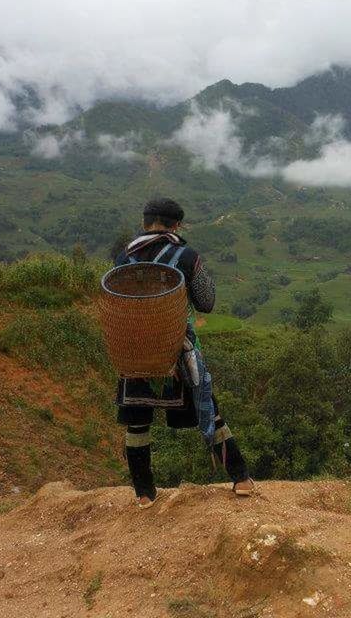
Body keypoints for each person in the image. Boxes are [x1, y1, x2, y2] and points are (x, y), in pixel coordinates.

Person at [113, 197, 253, 507]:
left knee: (137, 423)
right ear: (177, 225)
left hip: (134, 351)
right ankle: (240, 478)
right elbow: (206, 302)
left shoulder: (123, 258)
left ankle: (144, 494)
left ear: (146, 221)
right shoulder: (186, 256)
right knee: (210, 410)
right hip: (177, 351)